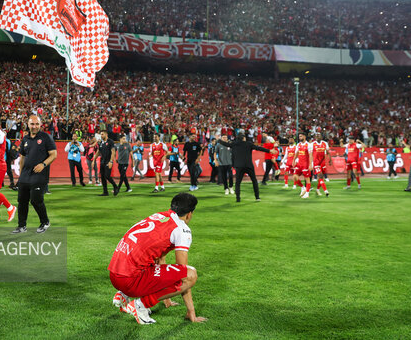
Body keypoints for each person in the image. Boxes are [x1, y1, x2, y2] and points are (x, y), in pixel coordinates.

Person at [108, 193, 207, 325]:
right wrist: (191, 311)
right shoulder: (182, 230)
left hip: (115, 275)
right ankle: (140, 305)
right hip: (129, 280)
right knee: (190, 274)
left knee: (151, 262)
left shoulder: (159, 216)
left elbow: (160, 259)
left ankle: (123, 295)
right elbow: (183, 275)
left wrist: (166, 299)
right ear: (189, 214)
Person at [12, 115, 57, 233]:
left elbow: (53, 154)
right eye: (32, 124)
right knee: (22, 201)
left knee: (36, 200)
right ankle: (21, 226)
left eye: (37, 124)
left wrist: (43, 164)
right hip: (25, 175)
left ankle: (45, 222)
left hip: (39, 175)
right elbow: (22, 158)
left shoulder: (46, 137)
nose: (35, 126)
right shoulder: (25, 139)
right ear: (28, 124)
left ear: (40, 125)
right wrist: (21, 175)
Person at [218, 133, 275, 202]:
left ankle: (238, 198)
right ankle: (257, 197)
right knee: (254, 181)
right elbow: (258, 148)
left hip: (239, 166)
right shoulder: (248, 143)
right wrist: (269, 150)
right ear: (243, 138)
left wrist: (218, 139)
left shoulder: (234, 144)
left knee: (238, 183)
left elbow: (226, 144)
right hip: (249, 165)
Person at [93, 130, 118, 196]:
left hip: (108, 161)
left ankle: (115, 186)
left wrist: (111, 161)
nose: (101, 136)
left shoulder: (110, 142)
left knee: (107, 176)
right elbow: (98, 152)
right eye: (101, 134)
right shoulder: (101, 143)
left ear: (106, 134)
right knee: (103, 177)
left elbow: (113, 152)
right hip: (102, 161)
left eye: (102, 134)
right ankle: (105, 192)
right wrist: (93, 160)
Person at [293, 133, 314, 199]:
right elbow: (296, 153)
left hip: (306, 164)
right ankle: (303, 187)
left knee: (307, 179)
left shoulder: (309, 145)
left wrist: (310, 164)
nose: (300, 137)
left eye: (301, 136)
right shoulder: (298, 144)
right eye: (299, 136)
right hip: (299, 164)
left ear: (304, 137)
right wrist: (293, 160)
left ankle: (307, 193)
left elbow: (310, 155)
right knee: (295, 177)